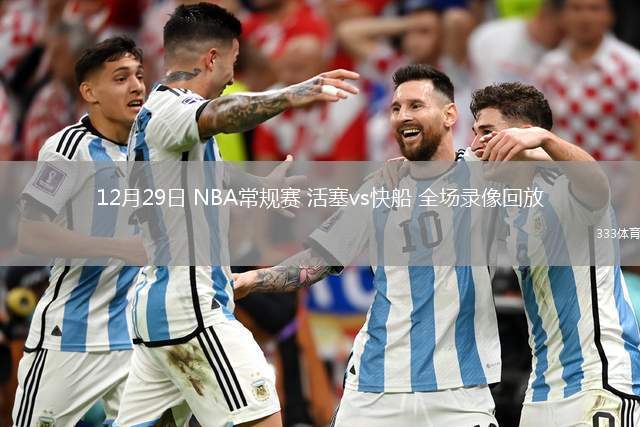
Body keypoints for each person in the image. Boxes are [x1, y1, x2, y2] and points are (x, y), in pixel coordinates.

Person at [114, 4, 358, 426]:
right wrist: (292, 93)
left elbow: (208, 173)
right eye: (233, 61)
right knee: (264, 418)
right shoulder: (178, 109)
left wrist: (260, 188)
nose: (232, 76)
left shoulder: (154, 116)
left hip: (155, 307)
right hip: (193, 308)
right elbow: (222, 115)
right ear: (212, 57)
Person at [233, 64, 501, 426]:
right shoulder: (381, 187)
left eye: (416, 106)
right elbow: (319, 260)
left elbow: (567, 177)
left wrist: (534, 143)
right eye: (396, 108)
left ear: (449, 114)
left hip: (459, 390)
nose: (403, 116)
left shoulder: (485, 175)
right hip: (375, 385)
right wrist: (251, 280)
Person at [469, 82, 640, 425]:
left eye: (487, 132)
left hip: (599, 380)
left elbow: (596, 181)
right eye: (475, 133)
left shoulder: (569, 187)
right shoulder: (503, 203)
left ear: (525, 133)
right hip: (541, 390)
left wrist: (545, 141)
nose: (475, 144)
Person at [12, 36, 147, 427]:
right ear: (90, 92)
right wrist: (119, 248)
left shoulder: (151, 147)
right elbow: (31, 233)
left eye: (139, 76)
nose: (136, 86)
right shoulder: (69, 150)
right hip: (71, 336)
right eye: (121, 78)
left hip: (137, 340)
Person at [535, 0, 640, 161]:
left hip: (614, 173)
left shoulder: (630, 66)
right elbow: (539, 126)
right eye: (576, 9)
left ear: (610, 16)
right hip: (565, 173)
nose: (585, 17)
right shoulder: (549, 66)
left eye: (594, 9)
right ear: (563, 16)